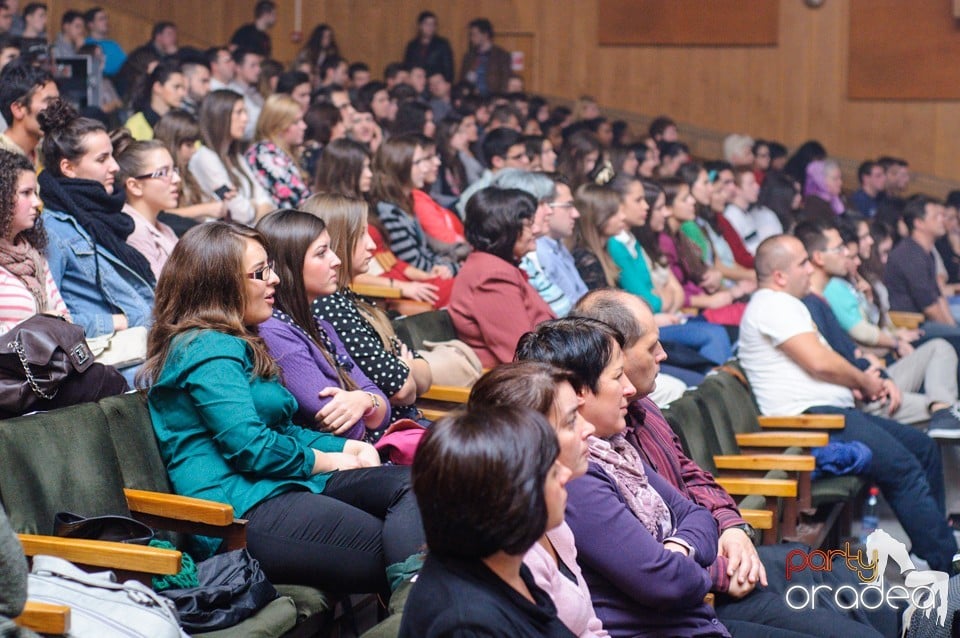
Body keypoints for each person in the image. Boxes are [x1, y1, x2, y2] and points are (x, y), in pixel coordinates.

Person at [571, 288, 894, 638]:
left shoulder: (643, 409)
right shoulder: (590, 457)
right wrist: (719, 566)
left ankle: (915, 624)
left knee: (825, 567)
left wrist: (732, 528)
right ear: (612, 355)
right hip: (695, 593)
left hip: (707, 558)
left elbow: (691, 481)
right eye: (650, 348)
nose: (663, 354)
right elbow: (654, 570)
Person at [143, 220, 425, 596]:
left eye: (271, 267)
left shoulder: (239, 339)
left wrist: (346, 448)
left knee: (419, 483)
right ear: (220, 283)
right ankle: (418, 612)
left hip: (285, 484)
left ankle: (419, 606)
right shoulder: (205, 347)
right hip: (243, 510)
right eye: (261, 272)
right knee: (404, 546)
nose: (275, 279)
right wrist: (329, 460)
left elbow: (282, 429)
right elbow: (251, 446)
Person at [739, 234, 958, 573]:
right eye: (802, 264)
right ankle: (946, 563)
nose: (809, 271)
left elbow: (826, 359)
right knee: (902, 466)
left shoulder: (788, 304)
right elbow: (820, 362)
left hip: (831, 413)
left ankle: (930, 547)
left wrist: (862, 381)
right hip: (811, 421)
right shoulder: (771, 304)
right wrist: (864, 381)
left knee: (922, 447)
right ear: (780, 275)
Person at [515, 317, 731, 637]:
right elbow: (662, 583)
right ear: (578, 394)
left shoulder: (615, 450)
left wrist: (678, 550)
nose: (630, 389)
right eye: (618, 376)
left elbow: (695, 514)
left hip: (694, 619)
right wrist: (701, 569)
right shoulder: (578, 474)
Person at [400, 406, 575, 637]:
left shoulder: (502, 562)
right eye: (552, 471)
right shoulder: (467, 626)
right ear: (511, 499)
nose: (566, 475)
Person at [467, 362, 608, 638]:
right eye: (570, 421)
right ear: (525, 439)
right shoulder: (510, 555)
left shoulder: (550, 515)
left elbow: (591, 627)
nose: (588, 428)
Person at [796, 219, 960, 435]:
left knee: (941, 348)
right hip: (861, 391)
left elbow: (851, 348)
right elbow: (845, 347)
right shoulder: (816, 301)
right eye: (840, 249)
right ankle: (942, 411)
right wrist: (875, 373)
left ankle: (942, 411)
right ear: (818, 258)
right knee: (950, 411)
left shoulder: (835, 292)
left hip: (871, 374)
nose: (846, 253)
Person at [254, 209, 391, 443]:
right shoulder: (274, 332)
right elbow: (349, 429)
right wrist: (369, 402)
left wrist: (365, 401)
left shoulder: (321, 327)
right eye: (321, 253)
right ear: (288, 266)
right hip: (338, 466)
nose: (336, 261)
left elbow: (382, 407)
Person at [305, 194, 432, 424]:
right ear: (338, 240)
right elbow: (402, 390)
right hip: (390, 436)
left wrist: (407, 367)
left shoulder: (350, 299)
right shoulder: (329, 305)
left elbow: (424, 373)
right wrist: (405, 368)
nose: (372, 246)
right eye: (362, 234)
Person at [39, 99, 154, 338]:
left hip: (144, 347)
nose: (114, 166)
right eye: (102, 159)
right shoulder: (53, 230)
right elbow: (47, 320)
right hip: (111, 362)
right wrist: (117, 322)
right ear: (68, 168)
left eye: (112, 156)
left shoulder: (106, 215)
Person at [314, 138, 450, 310]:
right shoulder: (335, 213)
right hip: (382, 292)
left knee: (452, 282)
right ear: (345, 171)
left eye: (369, 167)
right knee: (458, 289)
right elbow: (344, 274)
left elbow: (388, 259)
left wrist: (426, 276)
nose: (370, 174)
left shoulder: (366, 205)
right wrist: (402, 287)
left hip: (394, 280)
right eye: (363, 168)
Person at [450, 186, 555, 367]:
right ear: (506, 230)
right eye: (529, 224)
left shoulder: (494, 266)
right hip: (529, 385)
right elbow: (522, 355)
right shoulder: (491, 277)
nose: (536, 229)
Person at [371, 134, 459, 276]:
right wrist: (453, 268)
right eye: (419, 162)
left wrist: (451, 266)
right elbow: (413, 263)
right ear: (400, 165)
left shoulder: (406, 201)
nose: (425, 169)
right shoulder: (389, 211)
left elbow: (424, 253)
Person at [188, 89, 272, 225]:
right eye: (239, 112)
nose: (246, 118)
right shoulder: (205, 157)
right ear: (220, 117)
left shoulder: (235, 156)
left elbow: (266, 200)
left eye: (245, 112)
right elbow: (241, 213)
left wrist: (254, 207)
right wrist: (255, 206)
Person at [112, 133, 179, 279]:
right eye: (163, 172)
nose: (176, 179)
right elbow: (158, 293)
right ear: (134, 186)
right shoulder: (133, 231)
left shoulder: (164, 229)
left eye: (174, 170)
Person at [153, 109, 228, 225]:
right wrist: (206, 209)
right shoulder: (157, 175)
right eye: (189, 145)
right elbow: (160, 215)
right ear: (172, 143)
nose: (194, 150)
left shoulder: (186, 171)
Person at [244, 94, 310, 209]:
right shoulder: (264, 155)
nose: (304, 126)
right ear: (278, 126)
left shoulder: (280, 152)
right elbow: (301, 201)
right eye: (296, 122)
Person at [0, 60, 57, 166]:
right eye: (49, 101)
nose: (58, 108)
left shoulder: (47, 154)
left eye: (57, 101)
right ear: (18, 109)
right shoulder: (3, 160)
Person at [571, 183, 624, 291]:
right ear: (598, 217)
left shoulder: (603, 251)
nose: (623, 217)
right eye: (614, 213)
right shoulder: (586, 261)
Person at [124, 61, 186, 141]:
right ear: (158, 87)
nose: (182, 93)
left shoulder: (183, 121)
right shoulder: (134, 125)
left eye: (183, 88)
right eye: (176, 87)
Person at [459, 18, 511, 97]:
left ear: (485, 35)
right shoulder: (469, 56)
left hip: (493, 97)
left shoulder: (501, 55)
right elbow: (463, 79)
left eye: (474, 34)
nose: (472, 38)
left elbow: (505, 80)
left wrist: (501, 97)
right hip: (472, 97)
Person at [403, 11, 454, 83]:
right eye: (427, 24)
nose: (430, 27)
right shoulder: (412, 46)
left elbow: (448, 70)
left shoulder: (442, 44)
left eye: (433, 24)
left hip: (435, 85)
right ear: (420, 26)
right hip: (415, 84)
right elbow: (407, 67)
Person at [83, 6, 125, 78]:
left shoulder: (113, 44)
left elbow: (127, 65)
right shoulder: (85, 45)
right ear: (91, 24)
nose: (106, 22)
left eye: (106, 18)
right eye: (101, 19)